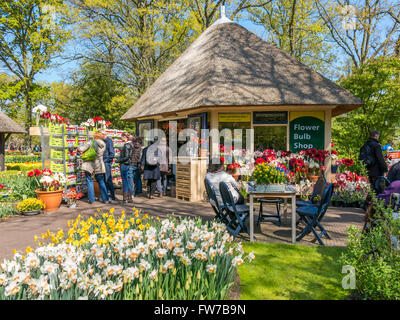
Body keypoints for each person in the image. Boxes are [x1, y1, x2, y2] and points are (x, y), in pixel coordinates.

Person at [78, 131, 110, 204]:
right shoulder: (103, 144)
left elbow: (81, 149)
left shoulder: (91, 142)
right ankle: (105, 199)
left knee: (89, 181)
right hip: (99, 164)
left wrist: (78, 147)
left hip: (90, 164)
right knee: (101, 181)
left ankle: (91, 200)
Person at [117, 132, 134, 204]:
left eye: (121, 136)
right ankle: (129, 197)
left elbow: (127, 156)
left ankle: (125, 198)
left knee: (125, 181)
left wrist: (119, 160)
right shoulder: (130, 144)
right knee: (127, 180)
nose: (121, 138)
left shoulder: (127, 145)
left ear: (124, 137)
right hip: (127, 164)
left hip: (124, 164)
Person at [101, 130, 116, 201]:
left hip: (106, 162)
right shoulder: (103, 141)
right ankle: (107, 194)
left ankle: (112, 195)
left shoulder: (109, 141)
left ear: (103, 135)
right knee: (104, 179)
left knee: (108, 179)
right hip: (103, 162)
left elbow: (112, 153)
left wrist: (107, 161)